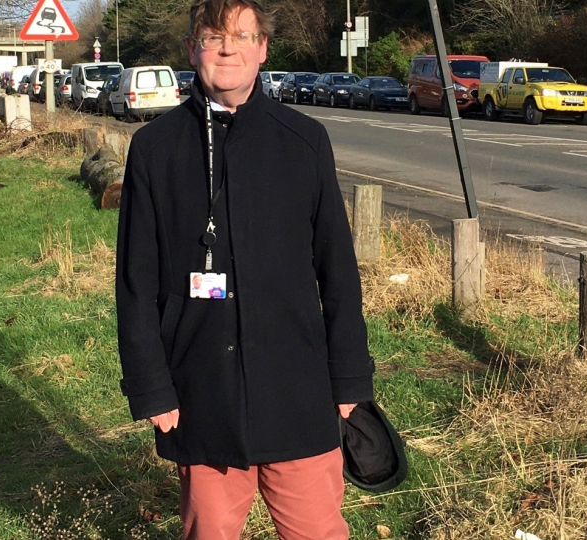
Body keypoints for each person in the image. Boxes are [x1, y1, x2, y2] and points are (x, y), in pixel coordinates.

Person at [115, 0, 374, 538]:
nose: (227, 48)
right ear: (192, 49)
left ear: (261, 48)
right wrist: (152, 388)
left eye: (240, 36)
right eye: (213, 37)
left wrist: (349, 377)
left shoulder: (304, 142)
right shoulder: (153, 149)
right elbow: (136, 284)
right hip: (202, 391)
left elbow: (338, 271)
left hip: (298, 390)